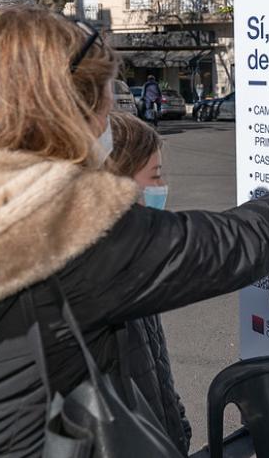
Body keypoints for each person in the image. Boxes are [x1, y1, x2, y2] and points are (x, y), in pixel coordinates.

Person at [0, 6, 269, 457]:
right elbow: (222, 247)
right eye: (104, 105)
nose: (106, 123)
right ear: (65, 109)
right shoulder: (49, 217)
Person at [105, 111, 190, 453]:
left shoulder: (133, 262)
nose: (161, 188)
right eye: (154, 176)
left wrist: (177, 425)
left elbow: (154, 368)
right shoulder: (99, 280)